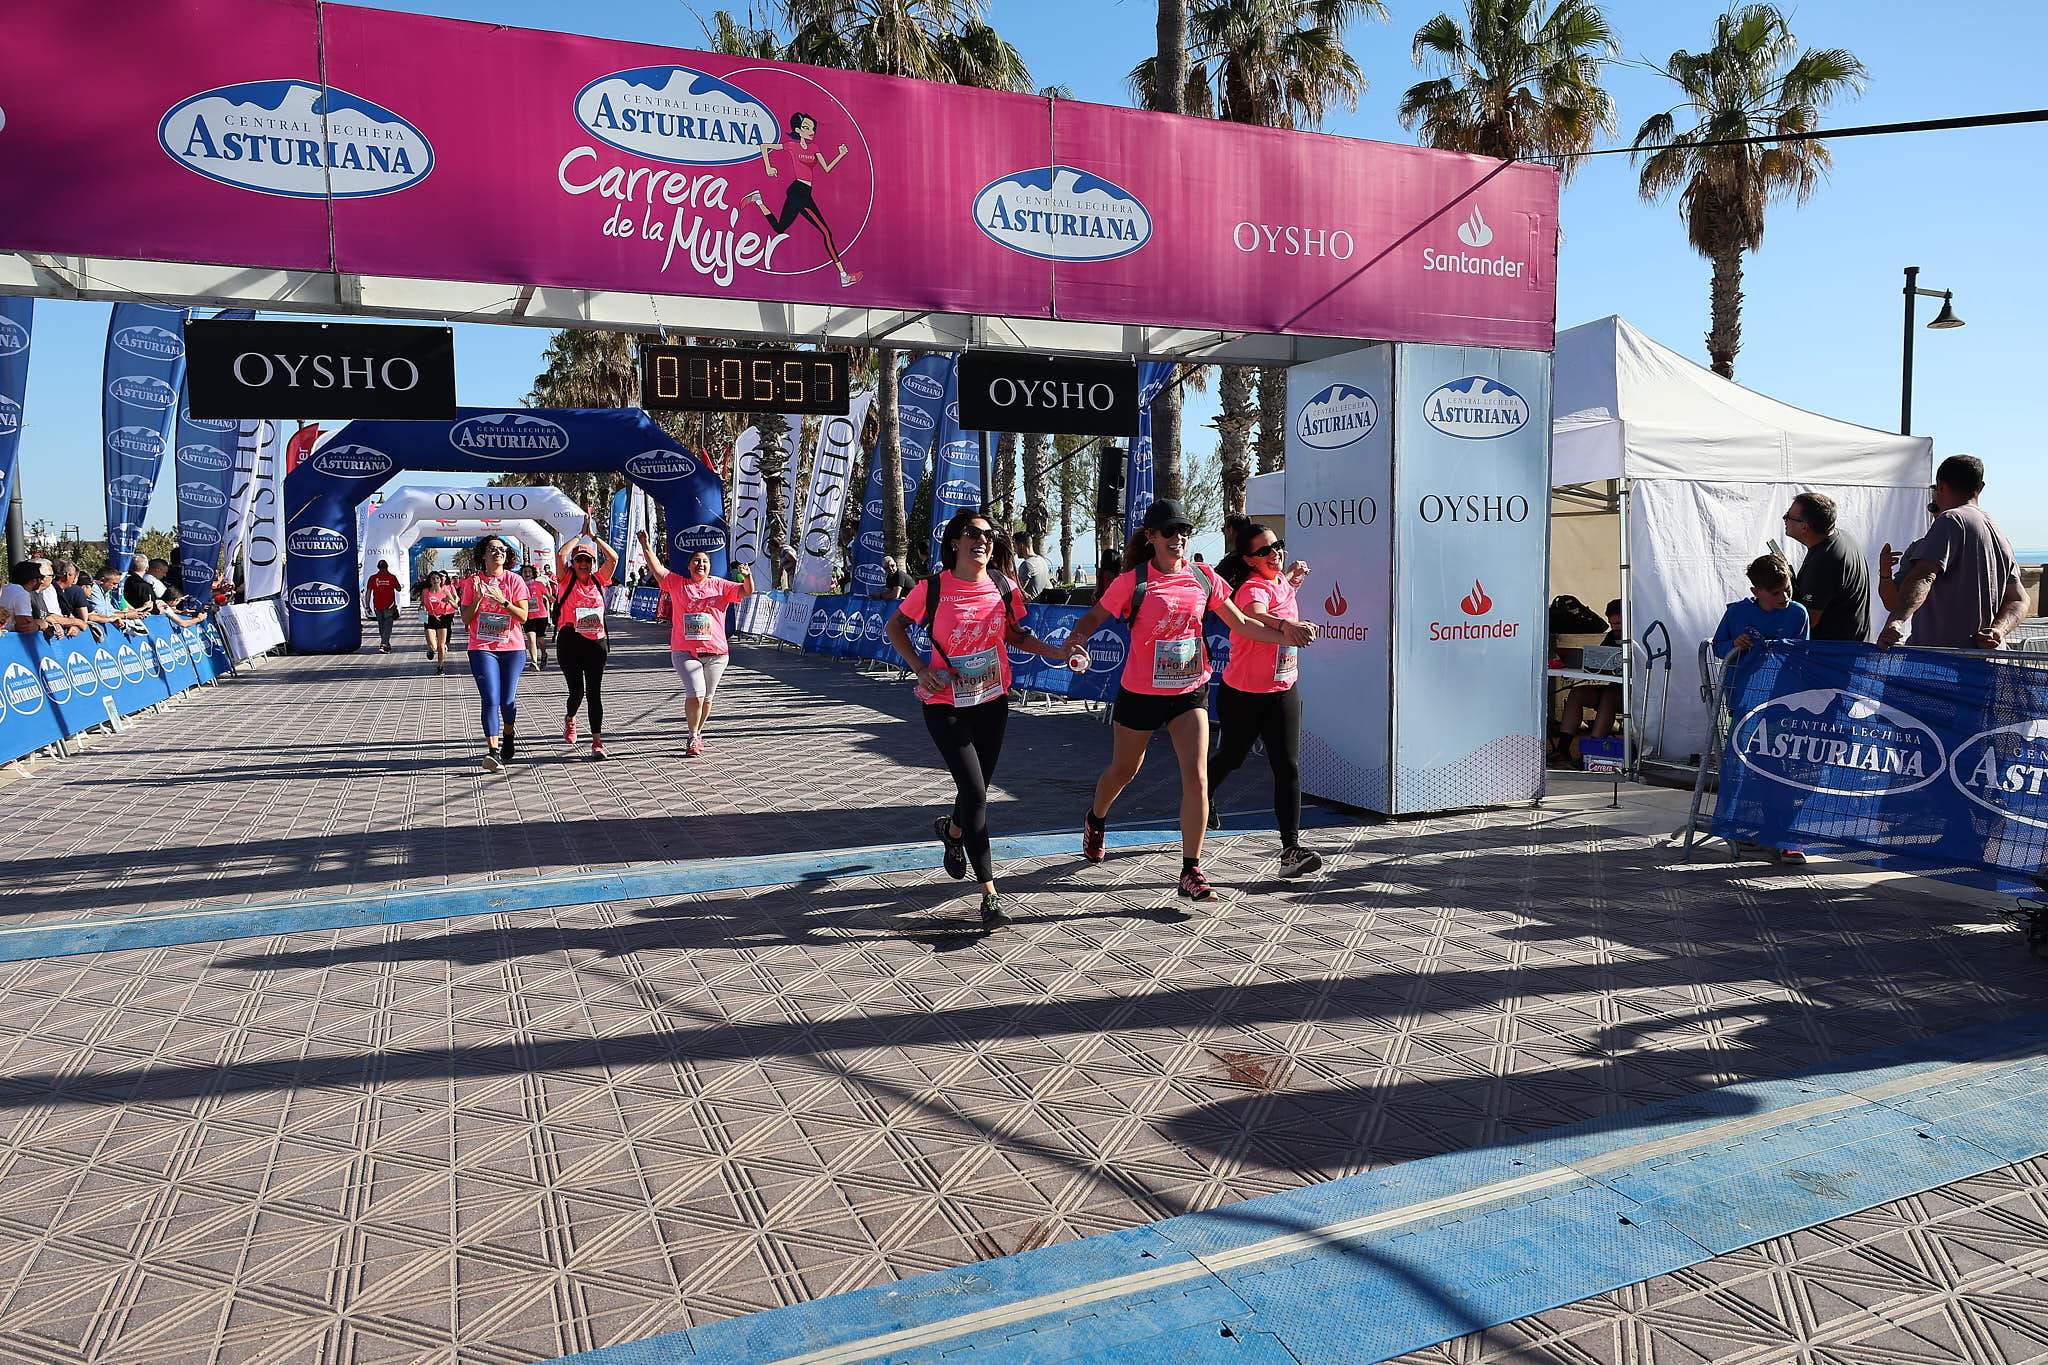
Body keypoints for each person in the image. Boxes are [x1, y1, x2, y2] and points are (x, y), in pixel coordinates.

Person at [1063, 499, 1316, 901]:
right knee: (1124, 770)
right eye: (1169, 532)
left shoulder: (1202, 577)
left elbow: (1245, 622)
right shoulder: (1134, 581)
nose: (1178, 538)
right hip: (1141, 693)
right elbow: (1094, 618)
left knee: (1197, 777)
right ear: (1151, 537)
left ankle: (1190, 869)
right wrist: (1077, 638)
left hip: (1188, 691)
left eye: (1184, 531)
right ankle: (1096, 818)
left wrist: (1286, 633)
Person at [886, 509, 1079, 929]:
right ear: (954, 541)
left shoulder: (1004, 586)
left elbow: (1017, 634)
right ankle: (989, 890)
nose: (983, 541)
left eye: (989, 535)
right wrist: (921, 668)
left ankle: (954, 833)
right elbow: (895, 626)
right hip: (945, 704)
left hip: (992, 700)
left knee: (975, 793)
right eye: (973, 533)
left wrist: (1058, 653)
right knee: (975, 793)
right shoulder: (931, 588)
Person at [1205, 523, 1322, 878]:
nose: (1275, 554)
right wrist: (1287, 628)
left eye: (1278, 546)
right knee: (1233, 757)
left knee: (1287, 766)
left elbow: (1279, 589)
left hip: (1283, 689)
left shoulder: (1278, 580)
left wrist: (1293, 575)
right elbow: (1255, 611)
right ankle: (1200, 795)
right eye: (1264, 552)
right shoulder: (1250, 588)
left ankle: (1291, 849)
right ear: (1249, 560)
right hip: (1243, 695)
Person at [1713, 554, 1811, 863]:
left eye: (1787, 589)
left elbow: (1804, 655)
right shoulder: (1737, 613)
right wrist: (1735, 645)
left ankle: (1785, 835)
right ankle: (1743, 829)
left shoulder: (1798, 614)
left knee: (1781, 768)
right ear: (1756, 591)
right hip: (1744, 703)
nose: (1784, 597)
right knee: (1742, 767)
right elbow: (1717, 647)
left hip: (1782, 705)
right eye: (1776, 593)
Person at [1878, 455, 2027, 650]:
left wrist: (1896, 621)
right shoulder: (1998, 534)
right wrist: (1998, 631)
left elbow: (1923, 577)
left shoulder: (1951, 520)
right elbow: (2018, 598)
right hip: (1985, 663)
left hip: (1942, 662)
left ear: (1940, 485)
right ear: (1980, 487)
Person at [641, 528, 753, 757]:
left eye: (704, 562)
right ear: (689, 566)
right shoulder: (676, 583)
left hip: (716, 654)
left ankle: (697, 733)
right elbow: (657, 569)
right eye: (696, 561)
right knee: (696, 693)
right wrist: (645, 545)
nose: (700, 565)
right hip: (685, 651)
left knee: (708, 698)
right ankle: (692, 735)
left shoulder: (720, 586)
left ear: (709, 566)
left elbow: (746, 591)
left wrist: (747, 576)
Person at [744, 111, 864, 288]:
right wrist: (768, 167)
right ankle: (843, 275)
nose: (811, 131)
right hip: (798, 191)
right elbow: (764, 146)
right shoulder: (792, 146)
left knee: (779, 228)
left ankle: (758, 199)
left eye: (812, 128)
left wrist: (841, 154)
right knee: (826, 232)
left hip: (804, 192)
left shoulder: (815, 148)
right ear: (798, 130)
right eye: (807, 128)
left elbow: (827, 168)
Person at [459, 535, 531, 773]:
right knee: (490, 698)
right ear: (483, 555)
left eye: (501, 549)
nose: (497, 552)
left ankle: (509, 733)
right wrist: (479, 600)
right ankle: (493, 752)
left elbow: (523, 617)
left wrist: (504, 601)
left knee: (507, 701)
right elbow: (466, 619)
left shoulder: (515, 580)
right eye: (492, 549)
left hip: (512, 648)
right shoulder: (472, 582)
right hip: (481, 648)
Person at [555, 515, 620, 759]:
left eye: (587, 560)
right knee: (577, 692)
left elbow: (613, 558)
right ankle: (571, 717)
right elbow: (561, 556)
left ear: (593, 563)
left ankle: (597, 741)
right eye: (580, 560)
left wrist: (594, 538)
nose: (583, 564)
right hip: (570, 641)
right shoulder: (566, 578)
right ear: (574, 562)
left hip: (595, 641)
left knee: (594, 692)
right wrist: (578, 537)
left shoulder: (598, 579)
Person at [1785, 493, 1870, 642]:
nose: (1784, 519)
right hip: (1848, 648)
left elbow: (1808, 620)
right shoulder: (1839, 537)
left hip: (1833, 654)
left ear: (1804, 527)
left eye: (1788, 516)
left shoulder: (1825, 560)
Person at [1554, 598, 1624, 765]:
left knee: (1610, 694)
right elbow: (1599, 659)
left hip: (1635, 695)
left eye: (1619, 623)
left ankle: (1593, 751)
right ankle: (1563, 749)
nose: (1615, 627)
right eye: (1612, 623)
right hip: (1614, 688)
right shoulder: (1611, 637)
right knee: (1577, 693)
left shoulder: (1638, 637)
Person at [420, 570, 458, 675]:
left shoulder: (445, 590)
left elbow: (455, 606)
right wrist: (422, 610)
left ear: (440, 580)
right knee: (433, 646)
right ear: (430, 581)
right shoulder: (425, 591)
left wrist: (449, 600)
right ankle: (430, 650)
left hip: (443, 618)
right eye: (433, 578)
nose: (436, 580)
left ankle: (440, 667)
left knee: (441, 646)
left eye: (437, 578)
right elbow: (422, 604)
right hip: (430, 618)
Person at [520, 563, 555, 670]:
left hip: (541, 616)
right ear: (521, 574)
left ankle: (544, 654)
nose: (527, 573)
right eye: (525, 571)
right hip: (527, 616)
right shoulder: (519, 585)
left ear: (533, 574)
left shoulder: (539, 584)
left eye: (529, 571)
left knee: (540, 640)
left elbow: (549, 598)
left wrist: (557, 606)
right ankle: (534, 661)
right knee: (531, 639)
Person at [364, 559, 401, 653]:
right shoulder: (392, 577)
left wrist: (367, 606)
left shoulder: (372, 578)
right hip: (389, 606)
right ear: (387, 567)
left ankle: (386, 644)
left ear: (378, 567)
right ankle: (384, 644)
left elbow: (368, 593)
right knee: (387, 625)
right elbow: (399, 588)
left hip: (377, 605)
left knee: (382, 626)